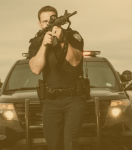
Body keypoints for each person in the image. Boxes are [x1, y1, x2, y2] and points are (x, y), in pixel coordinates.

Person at [29, 5, 89, 150]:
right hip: (50, 101)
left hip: (74, 99)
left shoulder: (73, 36)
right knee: (53, 144)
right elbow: (36, 69)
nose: (48, 23)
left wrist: (62, 41)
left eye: (52, 19)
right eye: (44, 21)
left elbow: (75, 61)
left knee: (70, 142)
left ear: (58, 19)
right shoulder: (36, 42)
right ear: (39, 24)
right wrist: (44, 45)